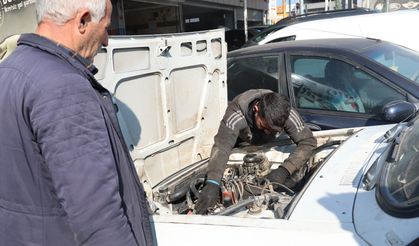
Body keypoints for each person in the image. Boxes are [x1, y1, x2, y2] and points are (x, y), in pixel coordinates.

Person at [0, 1, 153, 245]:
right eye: (105, 28)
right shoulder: (65, 87)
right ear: (82, 21)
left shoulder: (7, 70)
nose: (106, 41)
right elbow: (98, 217)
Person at [195, 89, 317, 214]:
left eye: (273, 130)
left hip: (276, 146)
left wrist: (284, 170)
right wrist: (212, 182)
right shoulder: (235, 114)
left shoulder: (285, 112)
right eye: (264, 127)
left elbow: (308, 142)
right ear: (256, 109)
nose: (268, 132)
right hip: (242, 146)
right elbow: (222, 147)